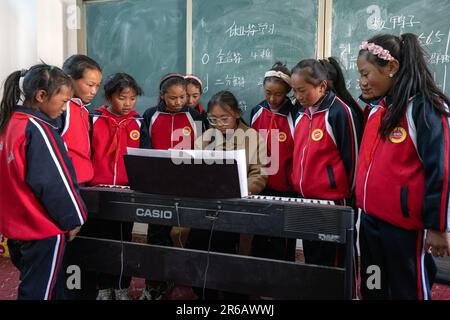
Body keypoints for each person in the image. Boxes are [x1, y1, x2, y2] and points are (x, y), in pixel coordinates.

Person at [355, 33, 450, 300]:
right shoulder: (377, 109)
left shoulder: (424, 107)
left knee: (407, 289)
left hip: (405, 229)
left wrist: (438, 226)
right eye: (359, 75)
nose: (361, 82)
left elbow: (441, 170)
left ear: (392, 68)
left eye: (366, 74)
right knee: (373, 283)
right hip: (371, 221)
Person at [0, 64, 87, 300]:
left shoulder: (10, 123)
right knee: (41, 292)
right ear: (41, 96)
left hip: (17, 227)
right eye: (64, 100)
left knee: (33, 285)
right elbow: (54, 182)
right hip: (42, 229)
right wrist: (75, 218)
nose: (65, 108)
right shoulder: (38, 129)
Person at [187, 90, 268, 299]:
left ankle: (234, 293)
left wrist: (241, 191)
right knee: (199, 244)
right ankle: (205, 292)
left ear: (237, 114)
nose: (219, 124)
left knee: (229, 250)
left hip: (237, 205)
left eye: (224, 118)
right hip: (207, 206)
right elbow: (193, 170)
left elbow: (259, 174)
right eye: (213, 119)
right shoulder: (205, 138)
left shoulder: (253, 138)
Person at [290, 57, 363, 270]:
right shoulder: (301, 113)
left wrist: (344, 196)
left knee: (336, 262)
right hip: (305, 200)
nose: (298, 96)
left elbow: (353, 160)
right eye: (294, 91)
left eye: (302, 90)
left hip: (333, 203)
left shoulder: (340, 112)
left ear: (322, 86)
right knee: (314, 257)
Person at [86, 73, 149, 300]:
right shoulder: (93, 119)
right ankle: (103, 287)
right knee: (100, 240)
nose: (128, 104)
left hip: (126, 192)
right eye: (123, 98)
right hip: (96, 192)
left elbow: (144, 158)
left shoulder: (139, 122)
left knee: (122, 242)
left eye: (132, 99)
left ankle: (121, 286)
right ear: (109, 96)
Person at [140, 73, 203, 300]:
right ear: (162, 96)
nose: (178, 102)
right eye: (173, 98)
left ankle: (182, 281)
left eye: (182, 97)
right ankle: (154, 284)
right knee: (157, 232)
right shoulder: (150, 115)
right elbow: (145, 150)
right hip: (158, 185)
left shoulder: (195, 116)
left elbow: (201, 150)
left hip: (186, 185)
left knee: (182, 233)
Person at [250, 61, 297, 262]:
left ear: (287, 91)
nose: (272, 98)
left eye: (278, 93)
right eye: (268, 92)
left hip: (285, 190)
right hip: (260, 186)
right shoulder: (257, 111)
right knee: (260, 236)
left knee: (282, 240)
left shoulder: (295, 115)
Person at [60, 54, 103, 184]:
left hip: (83, 180)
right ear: (70, 79)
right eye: (90, 85)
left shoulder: (83, 109)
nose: (94, 91)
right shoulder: (61, 107)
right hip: (68, 180)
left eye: (97, 86)